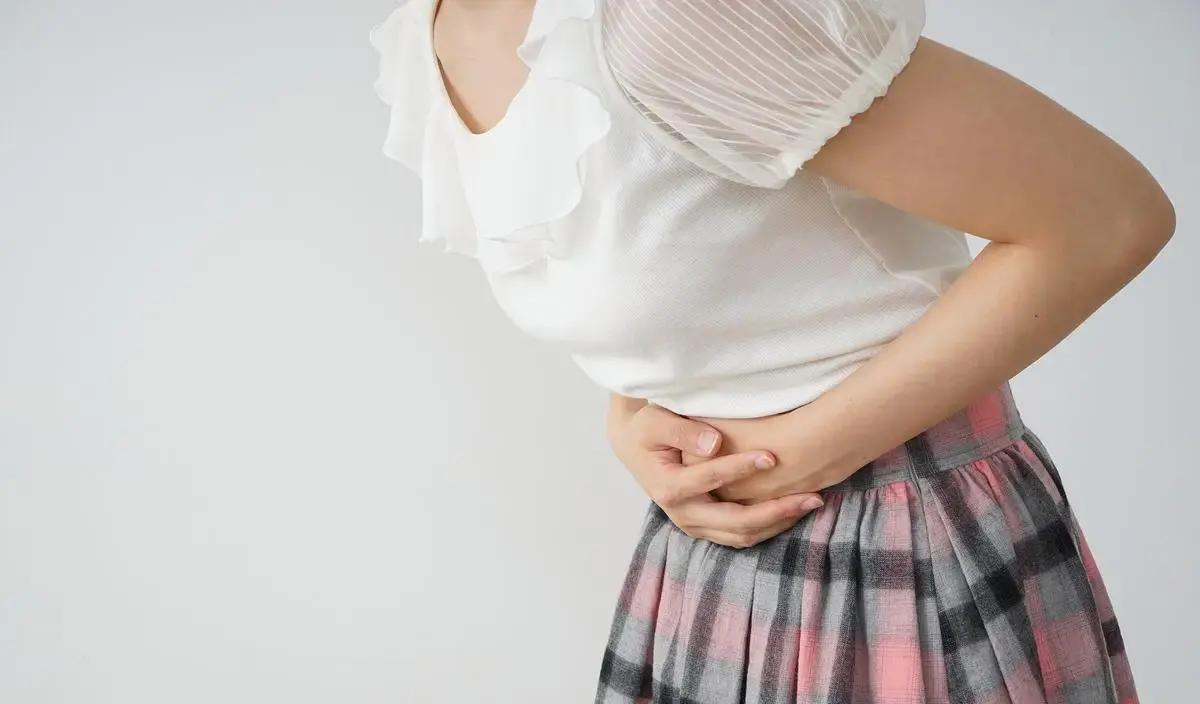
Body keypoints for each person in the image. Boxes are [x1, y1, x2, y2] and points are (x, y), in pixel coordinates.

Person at [370, 0, 1173, 701]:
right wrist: (634, 422)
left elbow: (1104, 219)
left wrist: (794, 458)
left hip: (902, 533)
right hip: (714, 547)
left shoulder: (678, 19)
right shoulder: (435, 36)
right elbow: (676, 266)